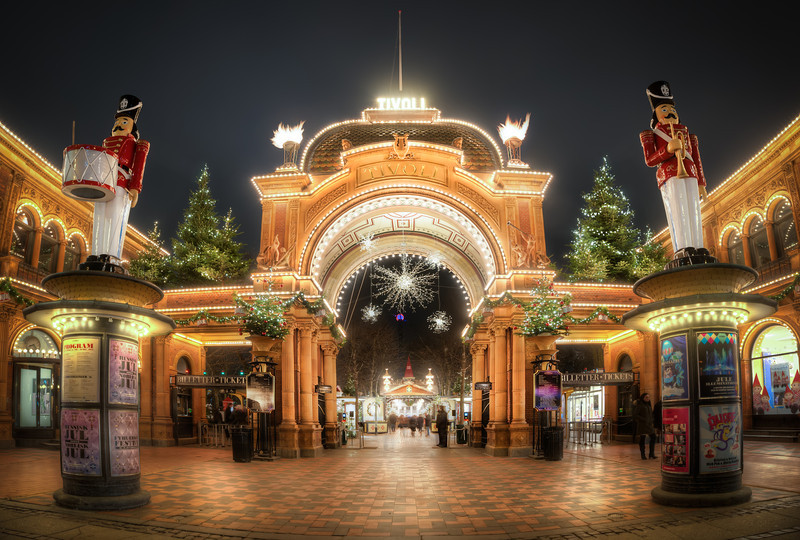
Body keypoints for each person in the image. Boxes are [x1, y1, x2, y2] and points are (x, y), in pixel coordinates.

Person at [639, 81, 709, 260]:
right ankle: (683, 248)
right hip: (669, 173)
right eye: (664, 109)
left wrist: (702, 183)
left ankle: (699, 246)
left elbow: (697, 158)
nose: (670, 112)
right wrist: (667, 149)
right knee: (677, 209)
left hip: (690, 172)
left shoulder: (686, 132)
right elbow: (649, 160)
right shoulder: (651, 134)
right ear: (656, 113)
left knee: (693, 209)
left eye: (672, 109)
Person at [92, 95, 151, 262]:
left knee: (116, 217)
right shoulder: (106, 142)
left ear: (132, 127)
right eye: (117, 122)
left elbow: (138, 165)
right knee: (100, 216)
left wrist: (135, 187)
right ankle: (96, 252)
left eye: (124, 121)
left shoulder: (136, 144)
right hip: (104, 183)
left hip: (121, 182)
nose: (118, 124)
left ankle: (111, 256)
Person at [634, 393, 656, 460]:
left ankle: (651, 454)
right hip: (642, 425)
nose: (648, 398)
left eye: (648, 397)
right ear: (643, 398)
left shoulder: (649, 405)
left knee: (653, 437)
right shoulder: (640, 405)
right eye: (646, 397)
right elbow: (635, 415)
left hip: (649, 425)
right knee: (642, 439)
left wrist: (651, 419)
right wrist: (644, 419)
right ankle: (643, 455)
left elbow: (651, 414)